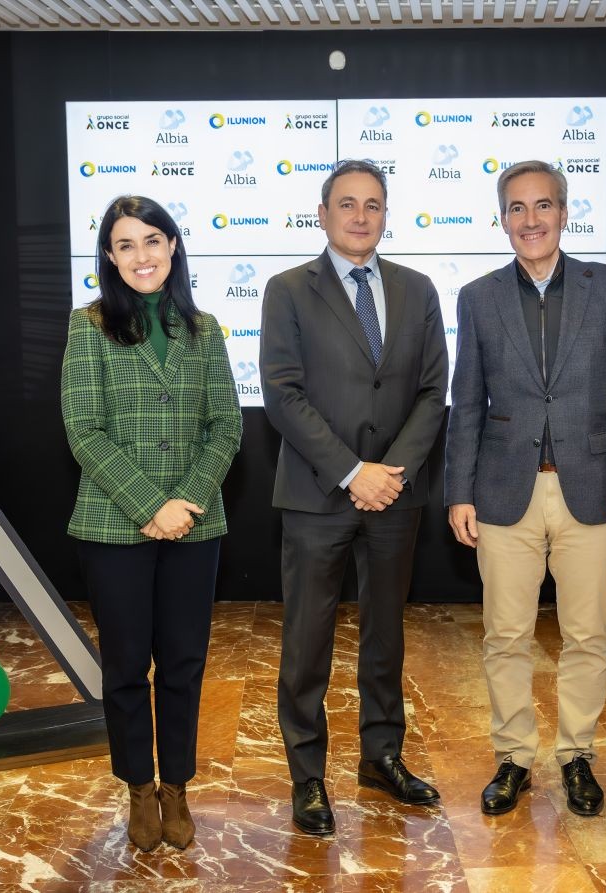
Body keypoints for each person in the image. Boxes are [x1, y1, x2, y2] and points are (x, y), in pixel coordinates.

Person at [445, 160, 606, 817]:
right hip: (505, 493)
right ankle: (514, 758)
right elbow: (466, 403)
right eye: (516, 208)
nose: (530, 220)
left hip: (592, 490)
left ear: (565, 213)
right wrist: (459, 490)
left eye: (543, 206)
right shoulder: (477, 297)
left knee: (587, 633)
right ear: (501, 217)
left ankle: (576, 755)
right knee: (505, 635)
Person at [260, 159, 448, 835]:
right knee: (307, 639)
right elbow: (283, 393)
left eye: (373, 204)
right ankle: (307, 775)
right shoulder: (287, 290)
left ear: (386, 212)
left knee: (386, 634)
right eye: (347, 204)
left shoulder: (418, 289)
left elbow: (432, 391)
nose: (361, 215)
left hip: (396, 494)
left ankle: (382, 755)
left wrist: (390, 470)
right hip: (317, 493)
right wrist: (351, 470)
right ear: (323, 213)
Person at [61, 195, 242, 851]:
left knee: (185, 664)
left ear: (173, 246)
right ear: (109, 256)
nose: (142, 255)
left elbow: (228, 425)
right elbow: (85, 431)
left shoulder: (206, 327)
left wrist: (185, 500)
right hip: (115, 526)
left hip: (195, 526)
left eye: (153, 240)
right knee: (126, 665)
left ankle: (177, 787)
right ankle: (139, 786)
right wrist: (149, 505)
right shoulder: (89, 327)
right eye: (126, 244)